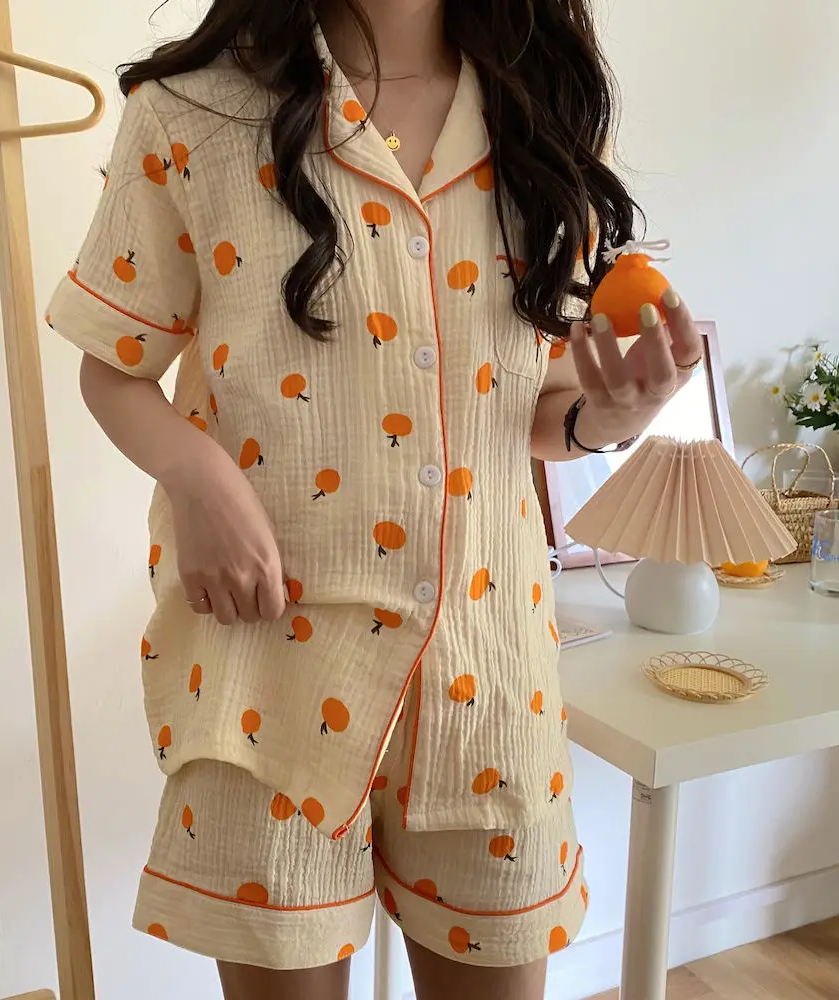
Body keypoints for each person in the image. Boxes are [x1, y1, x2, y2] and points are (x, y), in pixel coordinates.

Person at [45, 1, 702, 997]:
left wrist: (614, 416)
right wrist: (195, 475)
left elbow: (536, 408)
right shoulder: (190, 114)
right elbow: (114, 363)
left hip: (490, 675)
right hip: (268, 672)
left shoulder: (544, 118)